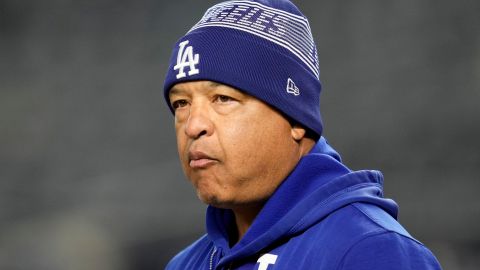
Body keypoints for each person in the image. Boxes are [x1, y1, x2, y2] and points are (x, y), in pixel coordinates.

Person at [162, 0, 442, 269]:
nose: (192, 125)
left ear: (296, 119)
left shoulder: (371, 251)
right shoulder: (186, 264)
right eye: (181, 103)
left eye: (223, 98)